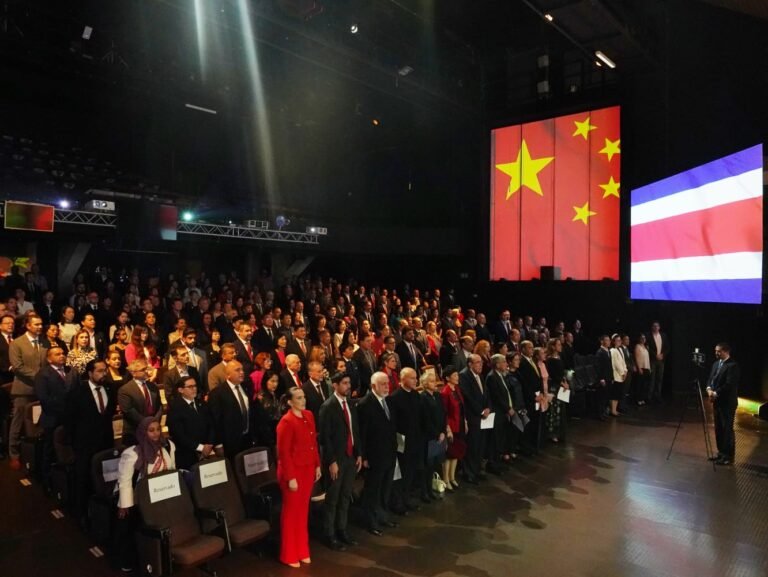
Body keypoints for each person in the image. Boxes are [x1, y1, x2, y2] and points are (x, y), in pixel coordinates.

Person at [116, 417, 176, 572]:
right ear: (143, 433)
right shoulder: (132, 454)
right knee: (130, 528)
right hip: (137, 497)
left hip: (160, 494)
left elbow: (172, 470)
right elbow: (125, 481)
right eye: (151, 430)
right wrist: (125, 505)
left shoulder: (167, 447)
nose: (156, 433)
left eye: (158, 429)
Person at [276, 387, 322, 567]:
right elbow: (284, 453)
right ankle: (288, 554)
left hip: (307, 468)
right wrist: (290, 477)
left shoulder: (308, 415)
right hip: (293, 472)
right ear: (289, 402)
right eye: (299, 398)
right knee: (291, 513)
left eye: (303, 397)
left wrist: (317, 465)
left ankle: (302, 549)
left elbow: (313, 443)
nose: (303, 401)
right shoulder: (286, 422)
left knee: (303, 511)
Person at [65, 359, 116, 522]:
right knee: (83, 480)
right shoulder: (78, 393)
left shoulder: (110, 389)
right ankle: (81, 515)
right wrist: (73, 446)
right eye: (100, 371)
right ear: (90, 373)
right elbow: (70, 421)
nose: (104, 374)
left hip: (105, 443)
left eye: (105, 370)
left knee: (103, 480)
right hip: (84, 444)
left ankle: (101, 514)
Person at [318, 371, 362, 551]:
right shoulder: (327, 407)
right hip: (337, 459)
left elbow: (354, 430)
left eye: (349, 383)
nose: (348, 386)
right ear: (335, 385)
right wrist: (331, 461)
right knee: (333, 498)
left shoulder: (350, 404)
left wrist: (359, 453)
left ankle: (342, 529)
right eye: (344, 383)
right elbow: (325, 438)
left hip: (350, 457)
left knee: (345, 496)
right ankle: (329, 534)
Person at [357, 372, 398, 535]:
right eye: (383, 384)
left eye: (387, 383)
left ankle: (382, 516)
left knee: (385, 487)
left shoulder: (388, 400)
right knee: (373, 489)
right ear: (373, 386)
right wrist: (364, 456)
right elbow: (362, 433)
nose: (387, 387)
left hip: (389, 452)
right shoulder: (365, 404)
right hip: (375, 455)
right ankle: (371, 521)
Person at [34, 346, 79, 484]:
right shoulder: (43, 374)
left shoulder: (72, 371)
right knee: (49, 450)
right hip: (52, 417)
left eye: (63, 353)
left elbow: (78, 392)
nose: (62, 355)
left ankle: (69, 480)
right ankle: (46, 479)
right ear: (49, 359)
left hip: (71, 418)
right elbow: (43, 398)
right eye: (57, 354)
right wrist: (64, 411)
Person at [8, 314, 44, 470]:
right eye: (36, 324)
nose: (40, 327)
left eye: (41, 324)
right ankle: (14, 454)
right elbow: (17, 366)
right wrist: (39, 376)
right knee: (18, 422)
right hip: (23, 388)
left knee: (38, 422)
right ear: (28, 326)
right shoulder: (17, 343)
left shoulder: (44, 342)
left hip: (41, 389)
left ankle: (37, 453)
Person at [388, 367, 427, 509]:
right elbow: (393, 423)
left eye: (416, 378)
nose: (416, 380)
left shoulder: (416, 395)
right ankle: (398, 502)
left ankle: (407, 499)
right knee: (402, 472)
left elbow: (421, 417)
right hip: (402, 442)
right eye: (412, 378)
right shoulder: (394, 397)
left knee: (411, 471)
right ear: (403, 379)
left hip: (416, 440)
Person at [166, 375, 220, 470]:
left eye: (195, 386)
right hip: (188, 455)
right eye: (190, 387)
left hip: (207, 450)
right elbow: (179, 435)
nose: (194, 389)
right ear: (181, 390)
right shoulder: (175, 408)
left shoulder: (202, 403)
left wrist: (209, 444)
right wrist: (201, 448)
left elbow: (211, 425)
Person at [207, 360, 255, 460]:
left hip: (247, 439)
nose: (242, 372)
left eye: (242, 369)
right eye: (237, 370)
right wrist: (218, 444)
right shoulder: (217, 393)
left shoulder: (246, 387)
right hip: (229, 442)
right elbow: (215, 421)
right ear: (228, 375)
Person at [459, 354, 491, 483]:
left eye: (481, 362)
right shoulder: (464, 376)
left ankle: (477, 470)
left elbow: (486, 393)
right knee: (472, 445)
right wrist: (481, 411)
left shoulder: (480, 375)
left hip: (483, 416)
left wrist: (488, 407)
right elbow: (468, 397)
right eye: (478, 362)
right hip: (473, 416)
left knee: (480, 445)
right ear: (470, 364)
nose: (481, 365)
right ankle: (469, 473)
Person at [706, 343, 739, 466]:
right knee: (719, 428)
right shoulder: (716, 364)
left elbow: (729, 384)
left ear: (726, 351)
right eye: (716, 351)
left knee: (727, 429)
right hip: (717, 402)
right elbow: (711, 379)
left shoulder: (733, 366)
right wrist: (709, 389)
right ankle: (721, 453)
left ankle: (728, 456)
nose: (716, 353)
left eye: (719, 351)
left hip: (727, 403)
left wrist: (716, 393)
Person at [118, 359, 163, 445]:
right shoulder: (125, 390)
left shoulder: (153, 386)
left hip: (154, 431)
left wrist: (155, 422)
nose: (146, 371)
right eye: (143, 370)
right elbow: (129, 411)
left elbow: (159, 406)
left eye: (147, 369)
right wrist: (148, 423)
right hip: (135, 433)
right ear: (133, 373)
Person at [420, 370, 447, 499]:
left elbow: (443, 413)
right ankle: (424, 491)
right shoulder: (423, 397)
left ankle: (430, 489)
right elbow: (426, 419)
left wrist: (443, 431)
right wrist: (437, 434)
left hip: (439, 435)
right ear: (425, 383)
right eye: (431, 381)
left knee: (434, 465)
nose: (434, 383)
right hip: (429, 437)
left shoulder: (437, 395)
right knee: (427, 465)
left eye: (434, 381)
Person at [440, 366, 466, 490]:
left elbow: (461, 408)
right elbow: (444, 412)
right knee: (449, 453)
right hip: (451, 426)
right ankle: (446, 479)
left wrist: (465, 421)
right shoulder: (445, 392)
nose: (457, 377)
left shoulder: (457, 389)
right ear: (447, 378)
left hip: (460, 423)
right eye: (454, 375)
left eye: (457, 375)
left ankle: (452, 477)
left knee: (457, 452)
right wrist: (447, 428)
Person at [543, 338, 568, 442]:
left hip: (561, 386)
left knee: (561, 409)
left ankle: (560, 432)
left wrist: (565, 382)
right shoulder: (549, 360)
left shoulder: (559, 357)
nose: (560, 346)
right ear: (553, 346)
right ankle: (552, 433)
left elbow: (562, 372)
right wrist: (561, 383)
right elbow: (552, 375)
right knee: (554, 410)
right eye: (558, 345)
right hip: (554, 387)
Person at [647, 321, 670, 403]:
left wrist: (663, 355)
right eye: (654, 326)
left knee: (659, 379)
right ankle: (649, 397)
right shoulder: (649, 336)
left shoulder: (663, 335)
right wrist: (655, 355)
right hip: (653, 360)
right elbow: (648, 348)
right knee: (652, 378)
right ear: (652, 327)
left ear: (659, 327)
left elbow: (667, 347)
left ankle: (658, 395)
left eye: (657, 326)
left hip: (661, 360)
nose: (656, 327)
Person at [609, 334, 627, 418]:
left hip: (622, 375)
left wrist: (625, 371)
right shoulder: (613, 350)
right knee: (615, 394)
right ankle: (613, 410)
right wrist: (622, 373)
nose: (620, 342)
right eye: (618, 340)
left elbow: (623, 362)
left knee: (618, 393)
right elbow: (616, 364)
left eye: (620, 340)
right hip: (616, 375)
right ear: (614, 341)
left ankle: (615, 409)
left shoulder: (620, 349)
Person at [633, 334, 651, 406]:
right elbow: (636, 358)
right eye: (642, 338)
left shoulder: (646, 347)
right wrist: (639, 368)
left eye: (644, 338)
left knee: (644, 385)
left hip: (646, 367)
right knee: (639, 384)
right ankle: (638, 399)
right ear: (639, 339)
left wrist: (649, 368)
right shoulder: (637, 346)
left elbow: (647, 358)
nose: (643, 339)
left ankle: (642, 398)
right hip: (641, 368)